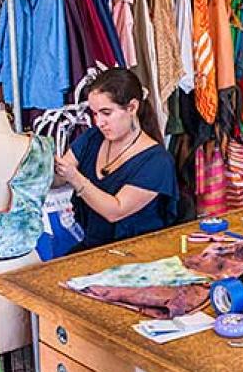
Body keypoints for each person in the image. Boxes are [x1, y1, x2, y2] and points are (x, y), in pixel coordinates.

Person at [54, 68, 179, 250]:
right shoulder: (92, 138)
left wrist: (76, 178)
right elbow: (59, 177)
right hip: (93, 250)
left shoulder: (157, 162)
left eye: (106, 113)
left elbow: (115, 211)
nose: (99, 122)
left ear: (132, 108)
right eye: (95, 114)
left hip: (137, 256)